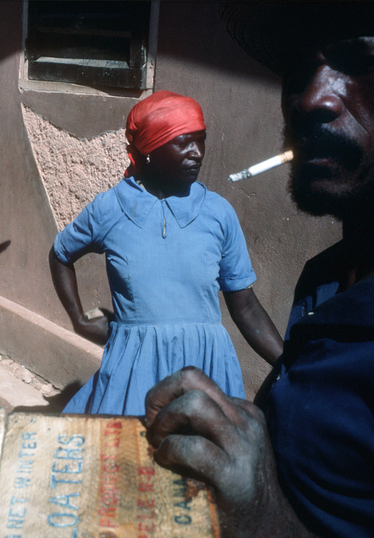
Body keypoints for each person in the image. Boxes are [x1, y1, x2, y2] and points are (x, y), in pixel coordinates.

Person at [145, 4, 374, 536]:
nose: (311, 98)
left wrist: (265, 516)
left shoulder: (219, 214)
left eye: (360, 60)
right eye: (297, 70)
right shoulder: (326, 278)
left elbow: (242, 300)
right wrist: (245, 425)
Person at [49, 91, 283, 416]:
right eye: (184, 143)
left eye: (201, 141)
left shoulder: (218, 212)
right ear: (149, 150)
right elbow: (61, 254)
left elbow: (245, 306)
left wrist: (289, 364)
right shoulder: (111, 209)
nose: (197, 153)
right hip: (135, 366)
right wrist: (77, 320)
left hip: (206, 368)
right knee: (130, 459)